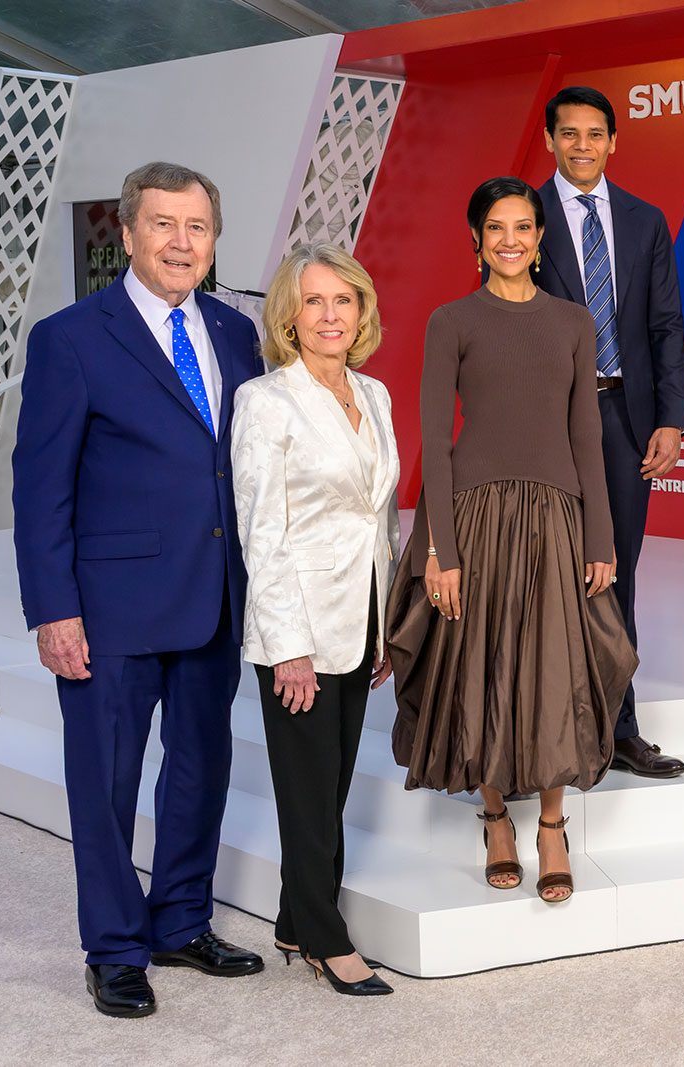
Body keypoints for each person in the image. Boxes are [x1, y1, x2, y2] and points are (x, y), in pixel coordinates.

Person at [11, 161, 265, 1017]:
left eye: (197, 227)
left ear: (214, 239)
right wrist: (53, 608)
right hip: (109, 609)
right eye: (163, 224)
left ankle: (180, 920)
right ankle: (115, 946)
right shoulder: (71, 337)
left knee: (200, 769)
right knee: (107, 781)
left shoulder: (235, 334)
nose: (181, 242)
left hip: (214, 597)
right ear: (126, 233)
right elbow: (40, 485)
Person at [385, 177, 635, 904]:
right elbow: (434, 437)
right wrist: (441, 549)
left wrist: (601, 534)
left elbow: (586, 433)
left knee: (556, 669)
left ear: (538, 237)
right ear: (476, 238)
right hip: (477, 516)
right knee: (485, 668)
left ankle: (551, 825)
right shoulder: (450, 320)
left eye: (523, 226)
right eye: (496, 227)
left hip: (556, 514)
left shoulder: (574, 320)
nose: (511, 240)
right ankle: (496, 817)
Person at [231, 241, 399, 995]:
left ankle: (294, 919)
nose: (331, 315)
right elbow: (260, 531)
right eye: (315, 302)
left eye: (344, 300)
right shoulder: (265, 401)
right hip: (295, 626)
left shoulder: (376, 395)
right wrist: (287, 649)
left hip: (360, 612)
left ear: (360, 309)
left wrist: (386, 617)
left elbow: (381, 516)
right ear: (289, 318)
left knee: (328, 783)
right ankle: (329, 942)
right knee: (306, 786)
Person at [535, 86, 684, 779]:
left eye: (595, 134)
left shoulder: (645, 221)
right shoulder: (522, 215)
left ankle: (620, 727)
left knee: (616, 575)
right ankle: (547, 731)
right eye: (569, 134)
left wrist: (670, 418)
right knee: (542, 576)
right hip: (547, 421)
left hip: (627, 417)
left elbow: (664, 327)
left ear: (613, 141)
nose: (582, 146)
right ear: (550, 140)